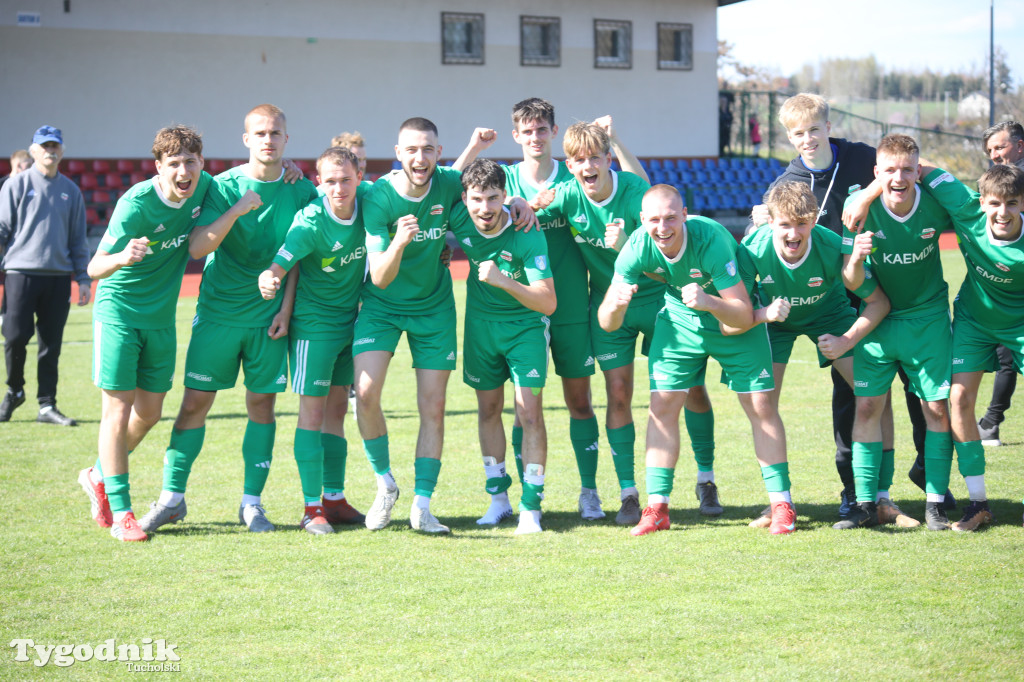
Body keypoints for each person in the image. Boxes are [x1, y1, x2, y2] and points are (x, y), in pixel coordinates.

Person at [752, 93, 942, 517]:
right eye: (798, 133)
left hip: (876, 280)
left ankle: (924, 476)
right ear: (788, 136)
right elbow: (766, 237)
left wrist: (867, 193)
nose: (808, 139)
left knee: (905, 388)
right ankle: (851, 492)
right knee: (851, 396)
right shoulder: (785, 185)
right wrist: (761, 218)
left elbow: (903, 169)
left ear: (829, 127)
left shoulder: (858, 157)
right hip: (821, 294)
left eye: (814, 129)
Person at [140, 104, 319, 534]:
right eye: (259, 133)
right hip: (218, 315)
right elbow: (198, 248)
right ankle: (171, 497)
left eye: (275, 133)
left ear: (286, 139)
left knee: (262, 406)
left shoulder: (301, 190)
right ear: (246, 140)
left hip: (269, 321)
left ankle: (252, 504)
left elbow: (301, 259)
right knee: (194, 404)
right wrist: (237, 208)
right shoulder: (221, 186)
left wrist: (286, 310)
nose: (268, 140)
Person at [356, 116, 535, 534]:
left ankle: (422, 504)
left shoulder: (448, 182)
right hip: (380, 306)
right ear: (398, 154)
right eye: (412, 150)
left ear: (438, 153)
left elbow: (482, 195)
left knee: (433, 407)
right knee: (364, 393)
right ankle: (385, 485)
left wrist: (519, 204)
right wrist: (400, 241)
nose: (421, 158)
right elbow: (380, 276)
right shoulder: (378, 198)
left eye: (429, 150)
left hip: (434, 309)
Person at [598, 185, 796, 536]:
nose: (663, 227)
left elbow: (741, 313)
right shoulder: (635, 248)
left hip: (733, 310)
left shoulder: (711, 241)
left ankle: (782, 504)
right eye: (655, 220)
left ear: (685, 215)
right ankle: (657, 508)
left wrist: (709, 302)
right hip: (680, 318)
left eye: (671, 218)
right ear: (642, 221)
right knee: (662, 406)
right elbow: (607, 324)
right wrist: (615, 305)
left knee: (760, 405)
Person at [737, 182, 916, 528]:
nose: (794, 233)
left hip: (830, 315)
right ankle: (779, 503)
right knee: (761, 404)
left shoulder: (832, 246)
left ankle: (881, 498)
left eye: (802, 223)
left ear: (815, 220)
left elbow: (879, 302)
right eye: (785, 224)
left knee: (876, 394)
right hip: (775, 319)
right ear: (770, 221)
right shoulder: (752, 251)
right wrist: (763, 314)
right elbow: (738, 309)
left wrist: (847, 340)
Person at [78, 125, 214, 542]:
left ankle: (97, 473)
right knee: (117, 411)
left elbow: (248, 175)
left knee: (151, 413)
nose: (183, 171)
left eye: (190, 162)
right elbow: (93, 268)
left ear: (201, 164)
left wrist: (292, 173)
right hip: (119, 313)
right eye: (174, 164)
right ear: (159, 167)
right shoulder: (135, 203)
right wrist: (122, 255)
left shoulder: (204, 186)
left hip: (160, 319)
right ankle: (121, 512)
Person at [840, 133, 954, 530]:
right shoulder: (858, 206)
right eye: (889, 170)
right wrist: (856, 257)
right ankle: (866, 504)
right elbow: (852, 281)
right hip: (879, 319)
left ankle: (936, 503)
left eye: (907, 169)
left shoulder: (936, 204)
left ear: (918, 171)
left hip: (928, 318)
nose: (899, 177)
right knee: (869, 406)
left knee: (936, 408)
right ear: (877, 173)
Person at [257, 146, 367, 535]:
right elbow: (282, 261)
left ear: (359, 178)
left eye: (346, 180)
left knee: (338, 413)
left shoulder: (367, 201)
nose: (339, 189)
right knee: (313, 414)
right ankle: (311, 507)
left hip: (350, 325)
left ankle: (334, 499)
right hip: (315, 328)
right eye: (331, 181)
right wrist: (269, 277)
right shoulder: (310, 220)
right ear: (319, 182)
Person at [916, 162, 1024, 530]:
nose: (1002, 212)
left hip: (1021, 324)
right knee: (959, 399)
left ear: (1022, 203)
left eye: (1012, 203)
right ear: (982, 202)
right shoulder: (966, 209)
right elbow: (917, 166)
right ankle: (977, 503)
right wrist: (865, 196)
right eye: (994, 203)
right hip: (973, 322)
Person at [452, 159, 556, 533]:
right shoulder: (459, 217)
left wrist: (502, 281)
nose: (485, 209)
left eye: (494, 198)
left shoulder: (527, 230)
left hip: (525, 328)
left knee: (529, 413)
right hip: (481, 329)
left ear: (504, 197)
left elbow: (547, 302)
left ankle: (531, 507)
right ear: (465, 198)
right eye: (478, 199)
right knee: (488, 410)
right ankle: (498, 500)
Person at [0, 125, 90, 426]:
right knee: (14, 337)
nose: (50, 151)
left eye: (55, 146)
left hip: (58, 276)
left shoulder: (71, 191)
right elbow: (2, 229)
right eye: (45, 146)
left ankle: (46, 405)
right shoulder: (15, 185)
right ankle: (14, 390)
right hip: (20, 273)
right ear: (34, 150)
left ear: (61, 151)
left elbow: (78, 239)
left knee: (51, 343)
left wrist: (84, 278)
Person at [975, 120, 1024, 447]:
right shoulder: (996, 185)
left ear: (1020, 145)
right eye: (990, 150)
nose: (995, 155)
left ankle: (991, 422)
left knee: (1006, 356)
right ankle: (989, 422)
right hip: (997, 298)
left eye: (1000, 147)